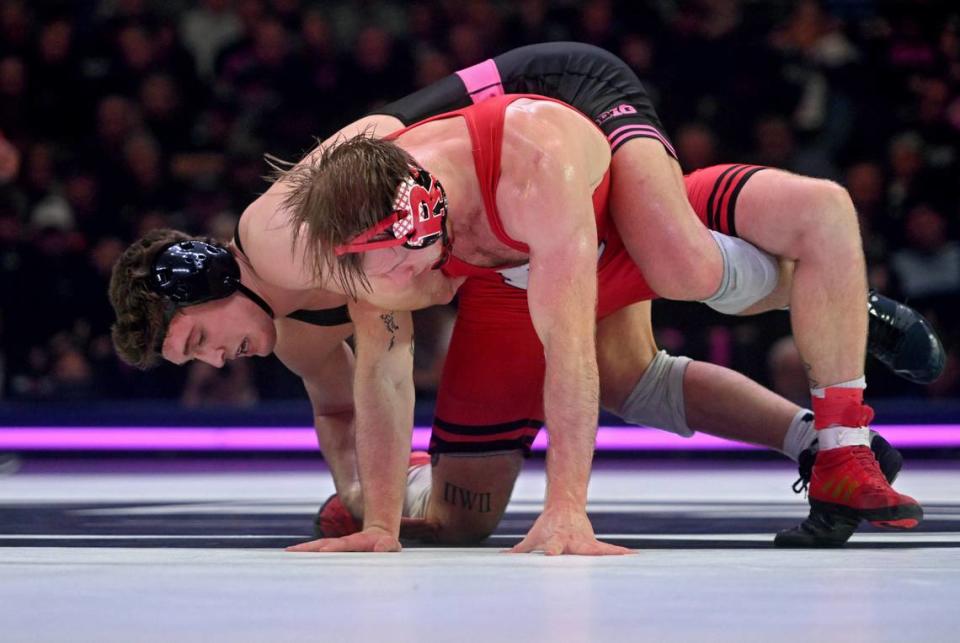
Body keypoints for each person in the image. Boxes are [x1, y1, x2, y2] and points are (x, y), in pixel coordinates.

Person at [109, 43, 940, 552]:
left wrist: (564, 508)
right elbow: (353, 399)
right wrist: (376, 508)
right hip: (483, 227)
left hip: (552, 115)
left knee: (680, 266)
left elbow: (400, 347)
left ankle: (840, 314)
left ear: (205, 281)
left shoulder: (291, 230)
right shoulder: (308, 306)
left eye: (196, 341)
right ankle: (825, 350)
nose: (217, 361)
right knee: (617, 377)